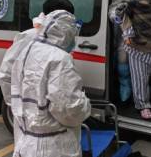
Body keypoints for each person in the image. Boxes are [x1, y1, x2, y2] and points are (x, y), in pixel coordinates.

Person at [11, 10, 91, 157]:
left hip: (26, 142)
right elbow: (68, 108)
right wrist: (85, 105)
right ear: (66, 33)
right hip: (54, 146)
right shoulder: (60, 59)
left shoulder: (26, 51)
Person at [0, 0, 75, 109]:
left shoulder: (66, 41)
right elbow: (6, 73)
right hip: (31, 113)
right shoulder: (28, 37)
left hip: (51, 112)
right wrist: (17, 106)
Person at [109, 0, 145, 102]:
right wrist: (117, 13)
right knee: (122, 57)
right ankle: (125, 85)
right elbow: (111, 9)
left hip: (139, 30)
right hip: (121, 30)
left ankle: (140, 92)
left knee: (140, 62)